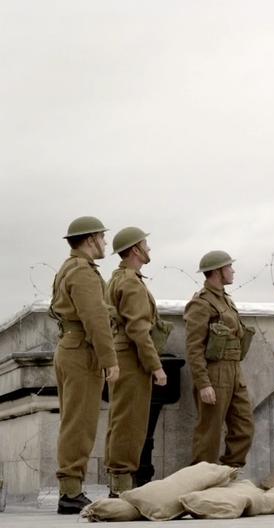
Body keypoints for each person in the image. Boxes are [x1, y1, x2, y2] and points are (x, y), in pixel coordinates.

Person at [49, 216, 119, 514]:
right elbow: (96, 319)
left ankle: (71, 489)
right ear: (91, 240)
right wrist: (109, 360)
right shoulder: (83, 272)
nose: (105, 243)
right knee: (80, 423)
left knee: (73, 420)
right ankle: (70, 493)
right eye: (103, 238)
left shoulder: (68, 268)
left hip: (71, 346)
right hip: (82, 351)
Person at [104, 227, 170, 496]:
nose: (149, 249)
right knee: (130, 422)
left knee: (121, 419)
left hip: (123, 353)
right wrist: (156, 366)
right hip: (131, 357)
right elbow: (139, 330)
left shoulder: (119, 278)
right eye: (145, 245)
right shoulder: (130, 282)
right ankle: (120, 485)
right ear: (135, 250)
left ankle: (117, 482)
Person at [183, 250, 254, 467]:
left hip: (234, 370)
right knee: (210, 432)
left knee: (244, 426)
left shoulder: (225, 300)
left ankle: (230, 472)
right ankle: (201, 479)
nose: (232, 271)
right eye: (228, 267)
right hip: (215, 372)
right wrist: (204, 384)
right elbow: (194, 347)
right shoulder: (201, 303)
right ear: (217, 271)